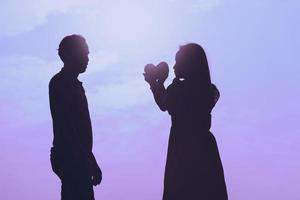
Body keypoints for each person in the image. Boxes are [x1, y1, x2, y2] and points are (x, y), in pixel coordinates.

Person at [144, 43, 228, 200]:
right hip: (205, 149)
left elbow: (164, 103)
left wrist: (156, 84)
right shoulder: (208, 91)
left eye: (178, 61)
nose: (174, 66)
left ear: (189, 64)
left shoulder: (179, 90)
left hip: (183, 150)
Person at [49, 34, 102, 200]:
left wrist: (90, 159)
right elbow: (68, 125)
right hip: (72, 158)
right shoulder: (60, 83)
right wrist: (85, 159)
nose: (87, 58)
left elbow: (80, 129)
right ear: (72, 55)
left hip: (78, 157)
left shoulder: (75, 85)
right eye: (85, 54)